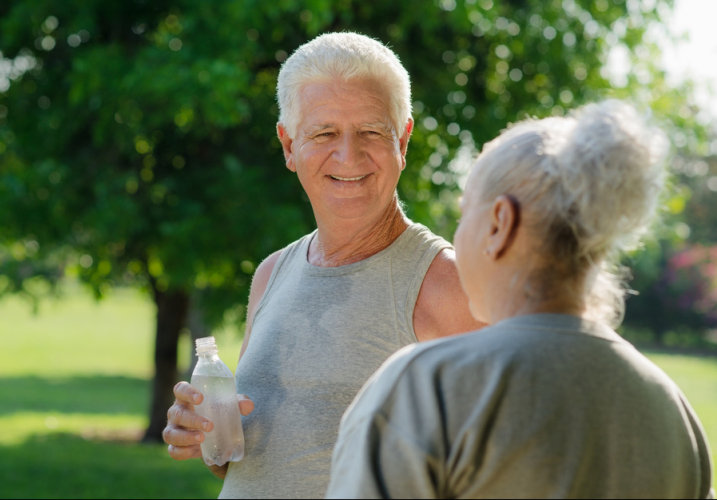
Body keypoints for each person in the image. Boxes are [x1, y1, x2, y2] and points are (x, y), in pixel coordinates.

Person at [327, 101, 715, 499]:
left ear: (499, 223)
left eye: (464, 215)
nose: (457, 239)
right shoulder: (672, 412)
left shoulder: (426, 385)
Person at [162, 32, 484, 499]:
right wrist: (206, 433)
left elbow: (516, 460)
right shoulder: (272, 274)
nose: (349, 156)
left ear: (404, 140)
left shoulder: (449, 284)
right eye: (324, 133)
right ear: (289, 145)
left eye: (372, 131)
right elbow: (260, 466)